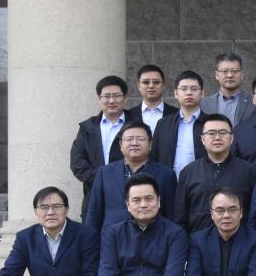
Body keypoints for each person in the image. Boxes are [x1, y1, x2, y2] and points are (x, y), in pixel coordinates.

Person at [83, 120, 177, 236]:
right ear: (120, 145)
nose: (134, 143)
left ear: (150, 144)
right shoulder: (105, 173)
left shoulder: (166, 174)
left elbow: (171, 215)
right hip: (112, 240)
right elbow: (94, 213)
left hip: (154, 239)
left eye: (140, 139)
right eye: (129, 139)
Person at [172, 114, 256, 236]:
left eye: (223, 133)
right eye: (211, 133)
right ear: (203, 139)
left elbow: (255, 214)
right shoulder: (188, 172)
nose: (217, 137)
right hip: (197, 243)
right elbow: (180, 217)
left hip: (240, 242)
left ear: (232, 138)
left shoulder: (249, 171)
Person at [69, 75, 128, 213]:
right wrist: (102, 179)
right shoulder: (87, 127)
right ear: (99, 99)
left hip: (129, 197)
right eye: (106, 96)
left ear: (125, 98)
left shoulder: (137, 125)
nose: (111, 100)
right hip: (94, 197)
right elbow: (77, 163)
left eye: (116, 96)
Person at [152, 70, 205, 177]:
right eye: (184, 89)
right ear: (176, 93)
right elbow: (154, 157)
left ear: (202, 93)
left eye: (194, 89)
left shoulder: (210, 123)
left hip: (201, 181)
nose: (189, 92)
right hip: (168, 182)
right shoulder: (163, 124)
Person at [200, 52, 251, 128]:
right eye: (225, 71)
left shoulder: (253, 102)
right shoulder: (203, 103)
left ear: (242, 75)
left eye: (234, 71)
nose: (230, 75)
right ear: (217, 75)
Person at [126, 64, 176, 135]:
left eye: (156, 82)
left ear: (163, 85)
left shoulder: (176, 114)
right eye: (146, 82)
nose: (151, 86)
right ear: (139, 86)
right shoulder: (128, 115)